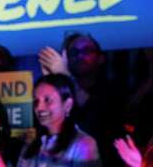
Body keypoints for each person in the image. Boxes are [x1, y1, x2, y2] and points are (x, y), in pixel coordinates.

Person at [39, 33, 123, 163]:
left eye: (87, 51)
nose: (80, 56)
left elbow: (95, 118)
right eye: (74, 52)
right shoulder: (61, 92)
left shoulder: (113, 89)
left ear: (101, 58)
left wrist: (65, 75)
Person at [18, 74, 100, 167]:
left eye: (47, 100)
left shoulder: (84, 144)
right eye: (36, 101)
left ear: (67, 104)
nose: (39, 107)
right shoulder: (31, 143)